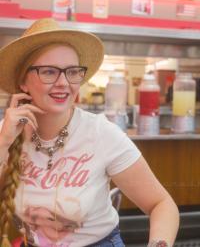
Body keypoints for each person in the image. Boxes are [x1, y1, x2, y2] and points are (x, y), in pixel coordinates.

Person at [0, 18, 179, 247]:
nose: (64, 82)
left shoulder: (101, 133)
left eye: (72, 72)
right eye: (48, 72)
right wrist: (3, 142)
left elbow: (161, 204)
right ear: (23, 82)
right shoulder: (7, 131)